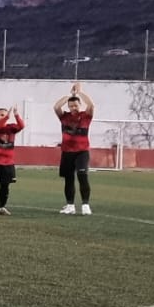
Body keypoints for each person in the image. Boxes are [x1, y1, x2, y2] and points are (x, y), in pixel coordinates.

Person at [55, 82, 96, 215]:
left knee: (82, 175)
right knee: (69, 179)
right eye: (71, 106)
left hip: (82, 151)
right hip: (67, 152)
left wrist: (79, 93)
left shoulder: (86, 116)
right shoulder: (65, 117)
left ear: (80, 105)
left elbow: (91, 105)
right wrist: (70, 96)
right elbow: (56, 106)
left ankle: (85, 205)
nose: (73, 107)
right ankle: (70, 205)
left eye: (76, 105)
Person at [0, 104, 25, 215]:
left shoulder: (11, 128)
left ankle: (2, 207)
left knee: (5, 185)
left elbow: (21, 126)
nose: (0, 117)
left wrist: (16, 115)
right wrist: (7, 117)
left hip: (8, 162)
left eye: (2, 115)